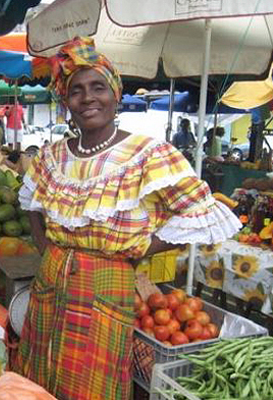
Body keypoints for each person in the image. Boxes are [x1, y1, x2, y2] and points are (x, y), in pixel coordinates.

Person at [14, 37, 241, 399]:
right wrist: (45, 248)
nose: (88, 98)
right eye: (77, 91)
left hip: (107, 284)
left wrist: (140, 247)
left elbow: (200, 212)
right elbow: (31, 204)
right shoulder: (50, 156)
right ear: (66, 102)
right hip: (50, 281)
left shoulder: (147, 153)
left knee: (92, 382)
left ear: (115, 94)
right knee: (40, 368)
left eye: (98, 87)